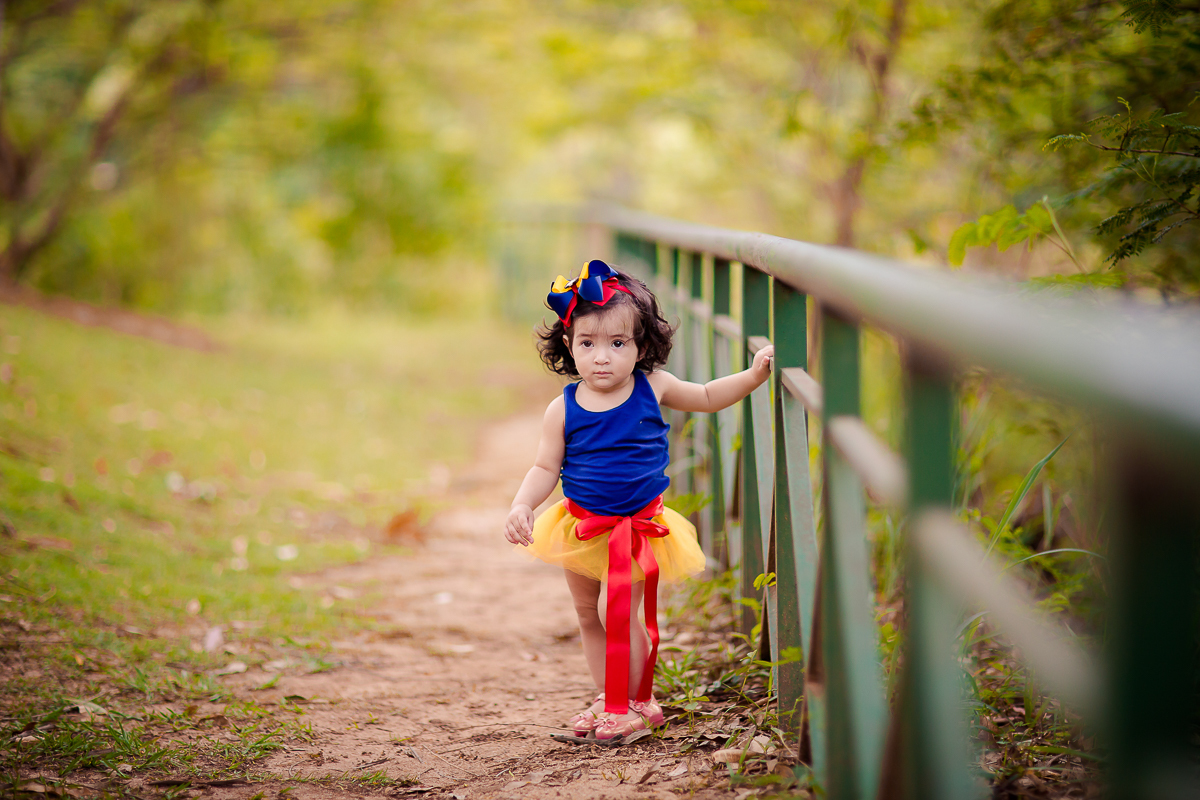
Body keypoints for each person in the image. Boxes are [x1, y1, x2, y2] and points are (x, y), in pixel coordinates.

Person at [504, 259, 774, 740]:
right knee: (589, 614)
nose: (601, 357)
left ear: (641, 345)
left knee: (620, 613)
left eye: (617, 343)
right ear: (569, 346)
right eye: (587, 344)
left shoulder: (653, 387)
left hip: (636, 527)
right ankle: (612, 697)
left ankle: (634, 700)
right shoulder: (561, 408)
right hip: (581, 526)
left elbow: (709, 395)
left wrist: (752, 377)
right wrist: (523, 504)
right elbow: (546, 468)